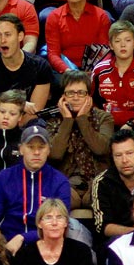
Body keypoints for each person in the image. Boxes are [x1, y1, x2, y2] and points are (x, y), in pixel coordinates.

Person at [0, 124, 73, 249]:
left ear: (49, 150)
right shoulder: (4, 177)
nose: (37, 152)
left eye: (41, 147)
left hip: (46, 244)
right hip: (7, 243)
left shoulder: (60, 182)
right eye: (30, 147)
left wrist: (24, 238)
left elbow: (60, 223)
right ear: (21, 149)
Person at [0, 14, 52, 130]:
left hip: (24, 121)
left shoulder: (40, 66)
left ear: (20, 36)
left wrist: (14, 127)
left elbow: (35, 109)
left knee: (37, 124)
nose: (2, 40)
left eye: (8, 35)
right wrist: (21, 105)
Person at [45, 70, 114, 208]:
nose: (75, 98)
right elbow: (55, 154)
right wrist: (67, 120)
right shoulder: (53, 120)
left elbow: (101, 149)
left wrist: (82, 119)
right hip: (66, 182)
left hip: (96, 180)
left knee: (102, 196)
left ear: (88, 96)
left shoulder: (104, 118)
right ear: (63, 97)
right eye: (70, 93)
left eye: (81, 93)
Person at [12, 199, 95, 265]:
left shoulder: (81, 251)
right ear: (39, 223)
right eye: (48, 218)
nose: (54, 223)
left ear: (66, 223)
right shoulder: (25, 254)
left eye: (59, 217)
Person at [89, 20, 134, 128]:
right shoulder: (99, 70)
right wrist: (103, 121)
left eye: (128, 40)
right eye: (117, 41)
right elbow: (90, 102)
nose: (123, 45)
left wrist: (132, 124)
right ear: (111, 45)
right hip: (104, 124)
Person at [46, 0, 112, 74]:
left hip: (94, 71)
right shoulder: (54, 16)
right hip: (65, 71)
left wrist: (95, 72)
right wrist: (68, 71)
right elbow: (53, 53)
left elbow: (104, 52)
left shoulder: (101, 16)